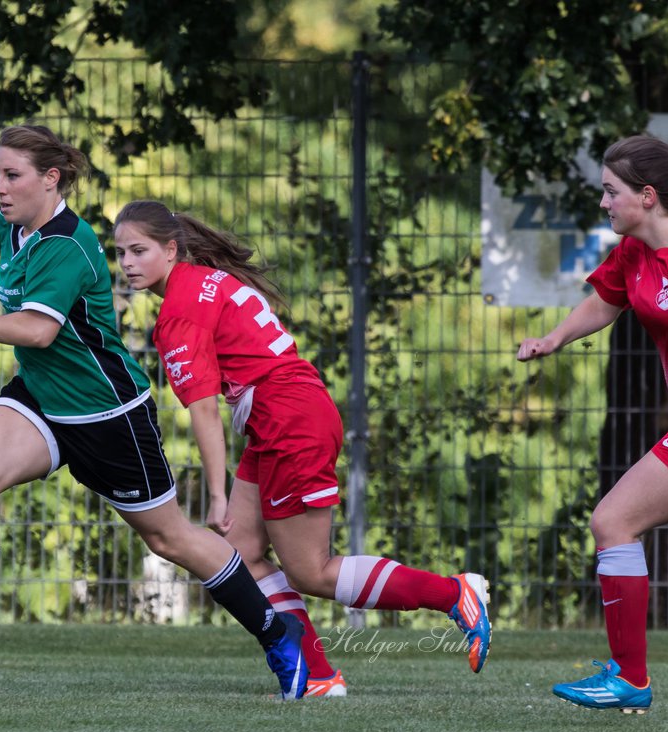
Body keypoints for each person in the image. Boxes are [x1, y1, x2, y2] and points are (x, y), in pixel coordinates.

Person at [0, 125, 312, 700]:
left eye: (11, 174)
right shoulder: (13, 228)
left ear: (51, 179)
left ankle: (277, 631)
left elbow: (39, 330)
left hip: (106, 413)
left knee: (170, 540)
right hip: (41, 398)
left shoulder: (71, 245)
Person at [112, 200, 493, 683]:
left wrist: (214, 492)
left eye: (138, 250)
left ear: (170, 249)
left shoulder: (180, 313)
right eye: (121, 252)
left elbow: (204, 412)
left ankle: (453, 594)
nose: (127, 263)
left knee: (311, 571)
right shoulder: (205, 280)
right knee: (241, 552)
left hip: (289, 423)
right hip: (287, 416)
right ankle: (315, 677)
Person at [518, 134, 668, 714]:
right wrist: (553, 339)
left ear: (648, 196)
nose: (603, 203)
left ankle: (629, 679)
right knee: (614, 523)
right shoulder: (636, 251)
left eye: (611, 192)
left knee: (613, 520)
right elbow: (606, 302)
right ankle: (627, 677)